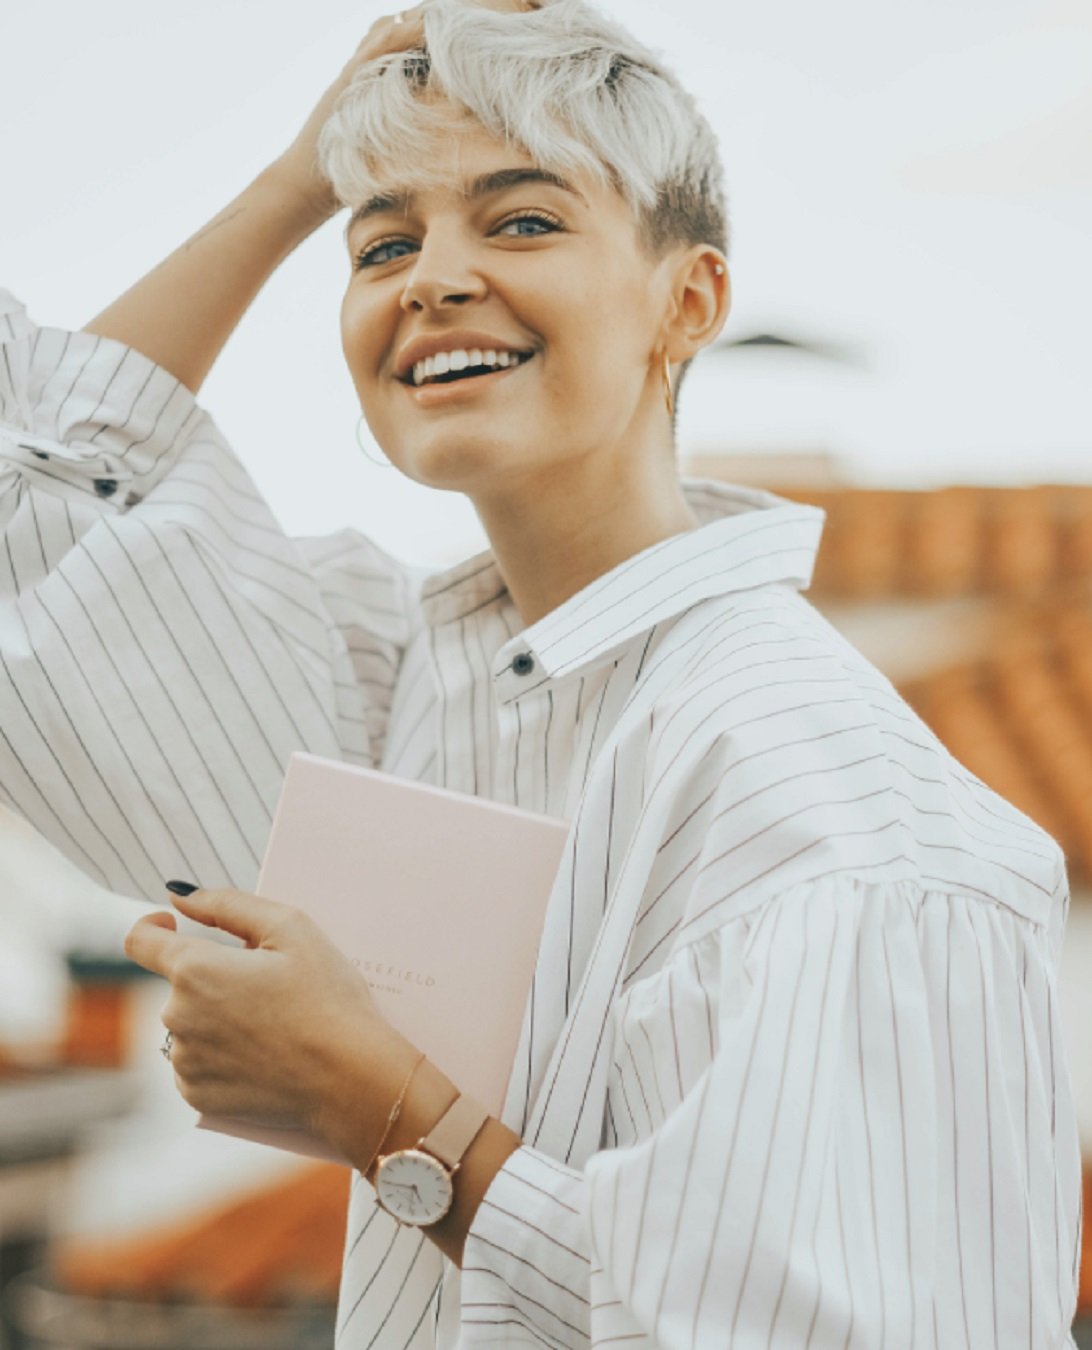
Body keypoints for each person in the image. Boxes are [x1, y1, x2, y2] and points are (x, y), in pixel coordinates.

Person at [1, 0, 1081, 1345]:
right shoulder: (401, 691)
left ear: (688, 300)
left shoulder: (833, 815)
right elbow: (30, 499)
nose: (431, 278)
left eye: (521, 220)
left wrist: (386, 1110)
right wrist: (298, 177)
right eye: (383, 241)